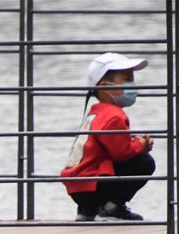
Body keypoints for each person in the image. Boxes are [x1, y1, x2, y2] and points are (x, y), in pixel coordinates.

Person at [61, 52, 155, 221]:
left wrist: (133, 141)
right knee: (145, 162)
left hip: (78, 185)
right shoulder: (114, 115)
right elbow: (121, 153)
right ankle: (112, 207)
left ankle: (87, 211)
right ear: (105, 86)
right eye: (127, 79)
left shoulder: (95, 112)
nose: (132, 85)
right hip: (93, 185)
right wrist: (141, 145)